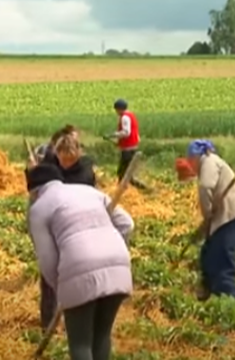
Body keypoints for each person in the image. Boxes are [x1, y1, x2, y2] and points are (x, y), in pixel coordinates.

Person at [26, 163, 134, 360]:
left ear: (34, 192)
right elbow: (127, 223)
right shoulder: (89, 191)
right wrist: (114, 252)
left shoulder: (38, 208)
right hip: (119, 267)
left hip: (79, 270)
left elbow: (47, 260)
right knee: (101, 336)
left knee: (80, 344)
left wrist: (62, 290)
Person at [176, 139, 235, 301]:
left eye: (190, 161)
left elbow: (206, 187)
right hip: (225, 219)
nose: (191, 166)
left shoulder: (208, 162)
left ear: (194, 157)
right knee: (208, 254)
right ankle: (209, 294)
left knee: (223, 263)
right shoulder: (209, 163)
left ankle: (232, 303)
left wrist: (206, 214)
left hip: (231, 219)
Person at [104, 99, 147, 190]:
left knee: (123, 173)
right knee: (125, 172)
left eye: (116, 110)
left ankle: (126, 190)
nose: (116, 112)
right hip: (131, 147)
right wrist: (119, 143)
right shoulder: (131, 116)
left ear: (119, 109)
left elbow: (126, 132)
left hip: (128, 149)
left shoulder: (124, 117)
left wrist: (113, 135)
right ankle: (122, 189)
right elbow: (135, 134)